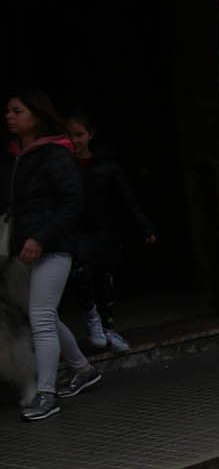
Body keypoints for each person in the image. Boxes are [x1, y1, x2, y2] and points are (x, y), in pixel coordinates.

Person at [5, 91, 99, 421]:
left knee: (41, 317)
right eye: (9, 111)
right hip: (27, 248)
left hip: (53, 248)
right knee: (45, 315)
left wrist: (40, 237)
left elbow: (72, 203)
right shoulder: (20, 156)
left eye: (17, 111)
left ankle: (47, 393)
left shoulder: (54, 155)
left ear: (36, 116)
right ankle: (83, 369)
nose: (10, 116)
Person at [64, 112, 157, 351]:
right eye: (70, 135)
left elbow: (127, 199)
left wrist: (144, 226)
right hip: (75, 232)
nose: (75, 141)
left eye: (79, 135)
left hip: (104, 230)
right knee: (81, 274)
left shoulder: (106, 167)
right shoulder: (63, 168)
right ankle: (93, 320)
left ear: (90, 135)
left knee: (105, 277)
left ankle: (107, 326)